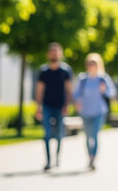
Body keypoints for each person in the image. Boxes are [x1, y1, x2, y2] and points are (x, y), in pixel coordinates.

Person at [74, 53, 116, 170]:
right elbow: (77, 93)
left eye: (94, 63)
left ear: (98, 65)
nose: (91, 66)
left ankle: (93, 159)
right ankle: (89, 156)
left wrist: (104, 90)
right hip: (85, 111)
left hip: (99, 111)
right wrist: (77, 101)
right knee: (87, 136)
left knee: (95, 135)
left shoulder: (103, 78)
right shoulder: (83, 79)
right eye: (89, 63)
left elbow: (112, 93)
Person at [35, 42, 73, 171]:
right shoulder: (44, 71)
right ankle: (48, 161)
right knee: (47, 134)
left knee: (59, 134)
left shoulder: (65, 71)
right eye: (52, 51)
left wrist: (67, 105)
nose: (54, 54)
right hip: (47, 105)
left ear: (60, 54)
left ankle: (57, 157)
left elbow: (69, 90)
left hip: (60, 106)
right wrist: (38, 107)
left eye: (56, 51)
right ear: (48, 54)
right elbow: (39, 90)